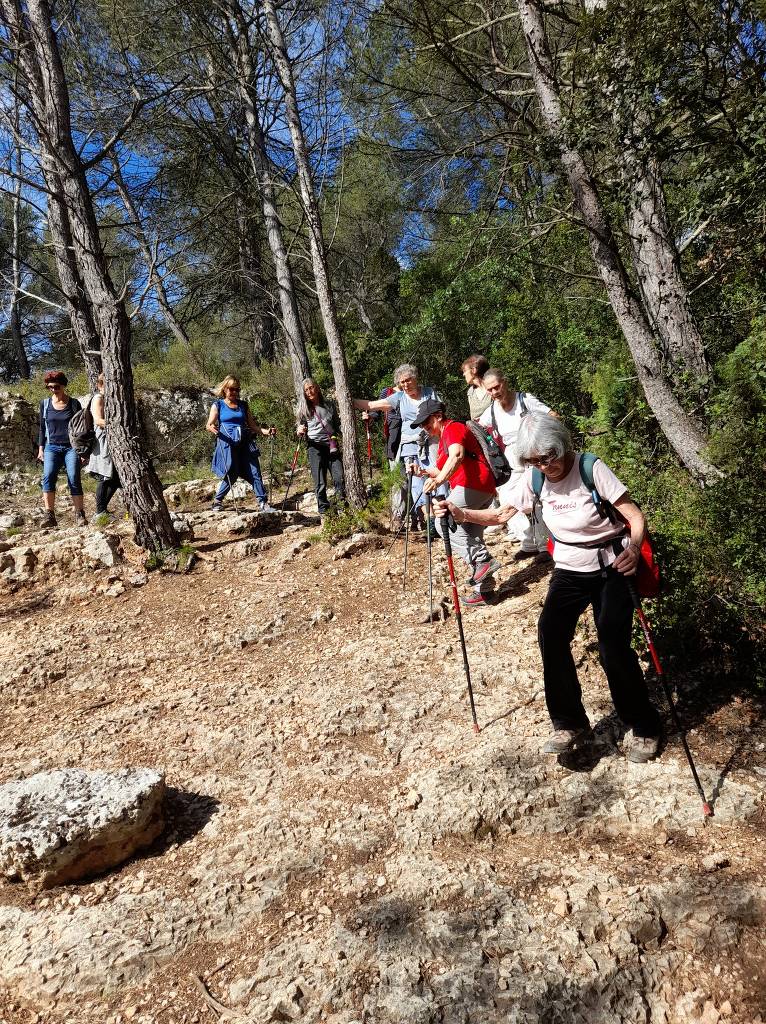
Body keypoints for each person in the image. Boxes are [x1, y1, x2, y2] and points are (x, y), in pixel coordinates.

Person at [433, 413, 662, 762]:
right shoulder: (536, 477)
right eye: (534, 460)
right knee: (550, 634)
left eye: (548, 456)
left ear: (562, 445)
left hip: (611, 566)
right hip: (569, 569)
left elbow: (634, 516)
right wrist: (459, 513)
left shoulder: (590, 468)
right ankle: (569, 722)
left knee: (612, 646)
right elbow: (499, 516)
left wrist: (632, 549)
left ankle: (645, 726)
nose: (544, 465)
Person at [411, 399, 500, 607]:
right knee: (471, 536)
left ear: (438, 416)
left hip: (472, 485)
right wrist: (423, 472)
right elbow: (444, 466)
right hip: (480, 488)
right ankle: (485, 592)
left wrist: (439, 480)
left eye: (426, 422)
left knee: (444, 521)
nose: (424, 427)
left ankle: (483, 559)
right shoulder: (443, 439)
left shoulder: (452, 428)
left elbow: (457, 455)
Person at [353, 364, 440, 532]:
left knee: (436, 476)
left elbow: (440, 412)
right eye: (402, 382)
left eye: (408, 380)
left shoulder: (429, 392)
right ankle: (430, 521)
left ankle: (441, 516)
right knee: (415, 483)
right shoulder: (399, 397)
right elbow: (371, 405)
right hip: (409, 445)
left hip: (432, 441)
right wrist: (349, 399)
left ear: (416, 378)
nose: (405, 385)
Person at [479, 368, 554, 559]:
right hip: (511, 457)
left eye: (497, 386)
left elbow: (552, 416)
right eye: (490, 390)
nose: (495, 392)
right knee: (508, 498)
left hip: (532, 452)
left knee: (537, 499)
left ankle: (546, 546)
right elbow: (478, 428)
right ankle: (528, 541)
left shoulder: (524, 400)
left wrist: (545, 442)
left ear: (505, 382)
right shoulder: (492, 410)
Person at [207, 376, 276, 512]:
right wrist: (212, 428)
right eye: (232, 389)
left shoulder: (243, 405)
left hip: (245, 442)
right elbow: (209, 424)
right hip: (227, 443)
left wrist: (267, 431)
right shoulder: (218, 405)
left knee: (255, 472)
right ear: (225, 389)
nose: (235, 392)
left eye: (237, 389)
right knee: (232, 473)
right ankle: (217, 501)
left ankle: (263, 503)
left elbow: (253, 426)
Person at [37, 370, 86, 529]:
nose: (53, 389)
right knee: (48, 476)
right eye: (49, 387)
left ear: (63, 385)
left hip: (71, 448)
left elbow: (81, 428)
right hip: (51, 447)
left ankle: (80, 514)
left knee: (73, 477)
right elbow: (42, 429)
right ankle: (49, 515)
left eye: (56, 386)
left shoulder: (74, 404)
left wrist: (83, 451)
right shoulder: (44, 404)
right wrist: (41, 449)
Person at [296, 378, 346, 518]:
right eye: (306, 390)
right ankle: (324, 512)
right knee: (320, 481)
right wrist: (299, 430)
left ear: (317, 388)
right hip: (314, 447)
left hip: (332, 446)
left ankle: (342, 508)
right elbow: (299, 426)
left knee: (339, 477)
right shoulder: (304, 409)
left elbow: (337, 425)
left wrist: (347, 431)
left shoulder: (329, 405)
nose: (310, 391)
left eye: (311, 388)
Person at [87, 373, 121, 522]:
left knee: (115, 477)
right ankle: (100, 512)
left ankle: (101, 511)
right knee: (104, 475)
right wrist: (118, 425)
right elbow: (98, 420)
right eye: (106, 384)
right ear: (100, 385)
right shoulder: (98, 398)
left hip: (110, 440)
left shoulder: (109, 399)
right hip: (102, 441)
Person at [461, 354, 491, 420]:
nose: (463, 374)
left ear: (474, 370)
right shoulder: (470, 392)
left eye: (465, 371)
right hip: (478, 429)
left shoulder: (493, 387)